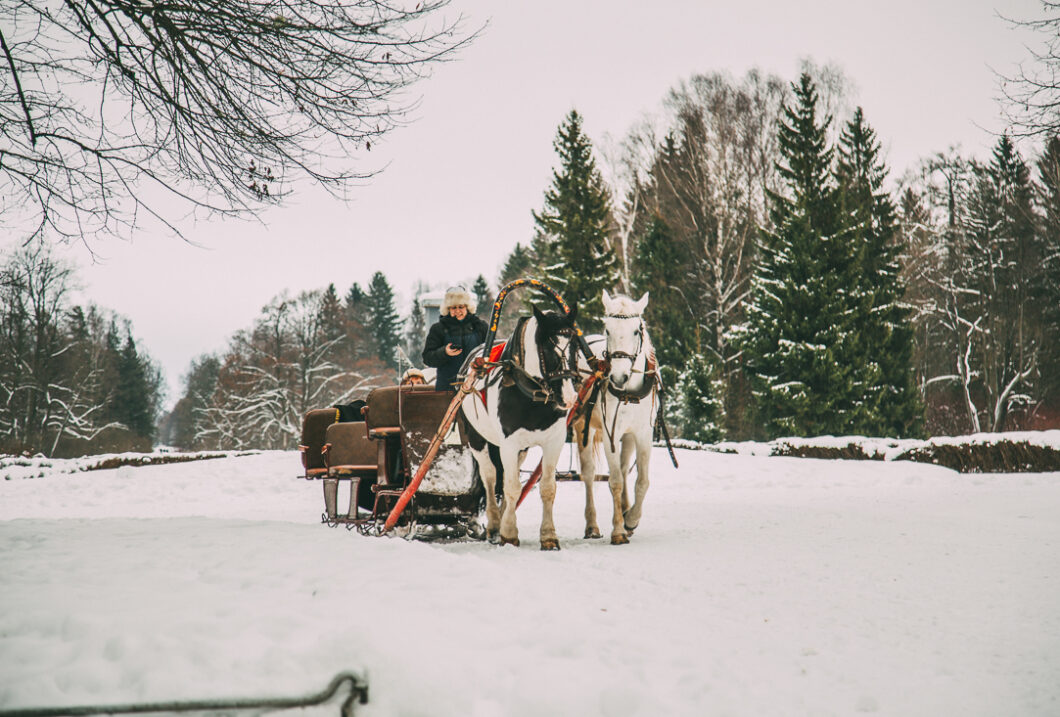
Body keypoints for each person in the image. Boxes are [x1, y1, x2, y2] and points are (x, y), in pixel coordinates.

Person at [422, 285, 488, 391]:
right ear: (448, 309)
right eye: (454, 308)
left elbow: (492, 352)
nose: (457, 311)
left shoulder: (480, 327)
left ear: (467, 307)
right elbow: (427, 358)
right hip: (447, 388)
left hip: (477, 387)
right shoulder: (438, 329)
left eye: (461, 307)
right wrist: (444, 352)